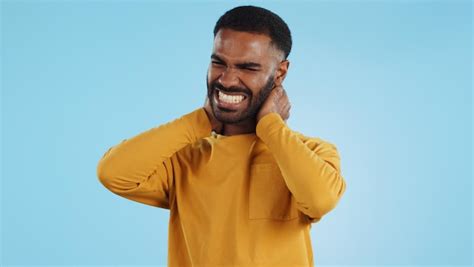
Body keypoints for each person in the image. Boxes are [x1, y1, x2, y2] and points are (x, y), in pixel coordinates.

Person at [97, 5, 346, 267]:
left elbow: (320, 200)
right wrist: (200, 121)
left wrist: (271, 127)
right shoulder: (184, 158)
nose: (227, 80)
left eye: (248, 68)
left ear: (280, 73)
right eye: (218, 62)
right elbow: (113, 173)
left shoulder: (312, 151)